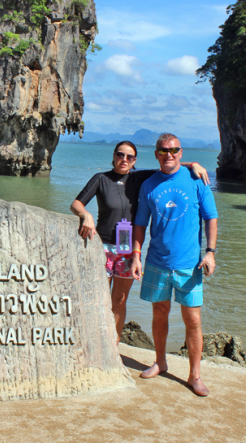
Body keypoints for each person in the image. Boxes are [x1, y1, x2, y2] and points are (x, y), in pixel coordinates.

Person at [71, 140, 209, 340]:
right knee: (98, 298)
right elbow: (76, 203)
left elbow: (169, 165)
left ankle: (114, 346)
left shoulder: (140, 178)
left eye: (129, 157)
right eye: (120, 155)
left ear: (135, 160)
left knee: (119, 300)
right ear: (114, 156)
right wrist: (85, 215)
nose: (124, 159)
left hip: (126, 249)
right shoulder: (100, 179)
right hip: (102, 247)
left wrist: (193, 164)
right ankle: (91, 341)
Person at [129, 133, 218, 397]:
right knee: (160, 313)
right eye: (163, 151)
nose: (169, 154)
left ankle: (195, 375)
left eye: (174, 150)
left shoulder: (196, 179)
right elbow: (140, 224)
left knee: (193, 320)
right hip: (157, 261)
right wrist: (136, 255)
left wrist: (211, 252)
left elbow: (211, 217)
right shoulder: (149, 185)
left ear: (181, 153)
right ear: (156, 153)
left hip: (189, 265)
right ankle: (160, 361)